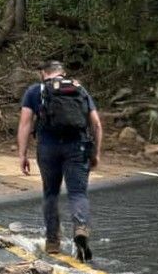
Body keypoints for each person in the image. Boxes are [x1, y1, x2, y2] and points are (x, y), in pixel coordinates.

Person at [16, 60, 102, 262]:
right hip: (77, 146)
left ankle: (52, 242)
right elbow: (96, 124)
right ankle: (80, 228)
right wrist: (96, 153)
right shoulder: (79, 88)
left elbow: (25, 124)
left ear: (42, 73)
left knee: (51, 192)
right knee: (78, 193)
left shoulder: (35, 91)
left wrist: (22, 154)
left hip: (48, 148)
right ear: (62, 73)